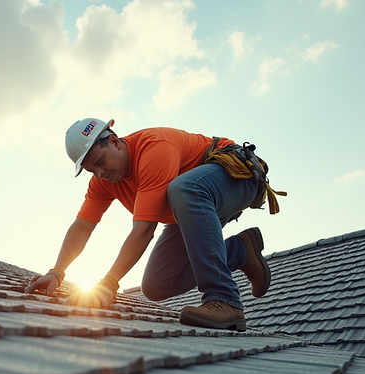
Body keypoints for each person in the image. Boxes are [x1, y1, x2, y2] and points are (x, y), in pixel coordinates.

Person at [24, 118, 283, 332]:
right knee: (157, 284)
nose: (99, 173)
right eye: (92, 170)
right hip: (191, 206)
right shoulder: (103, 182)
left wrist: (109, 283)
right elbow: (82, 227)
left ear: (114, 141)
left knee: (185, 188)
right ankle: (241, 250)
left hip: (237, 176)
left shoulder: (154, 148)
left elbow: (144, 230)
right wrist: (56, 272)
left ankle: (224, 298)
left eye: (100, 162)